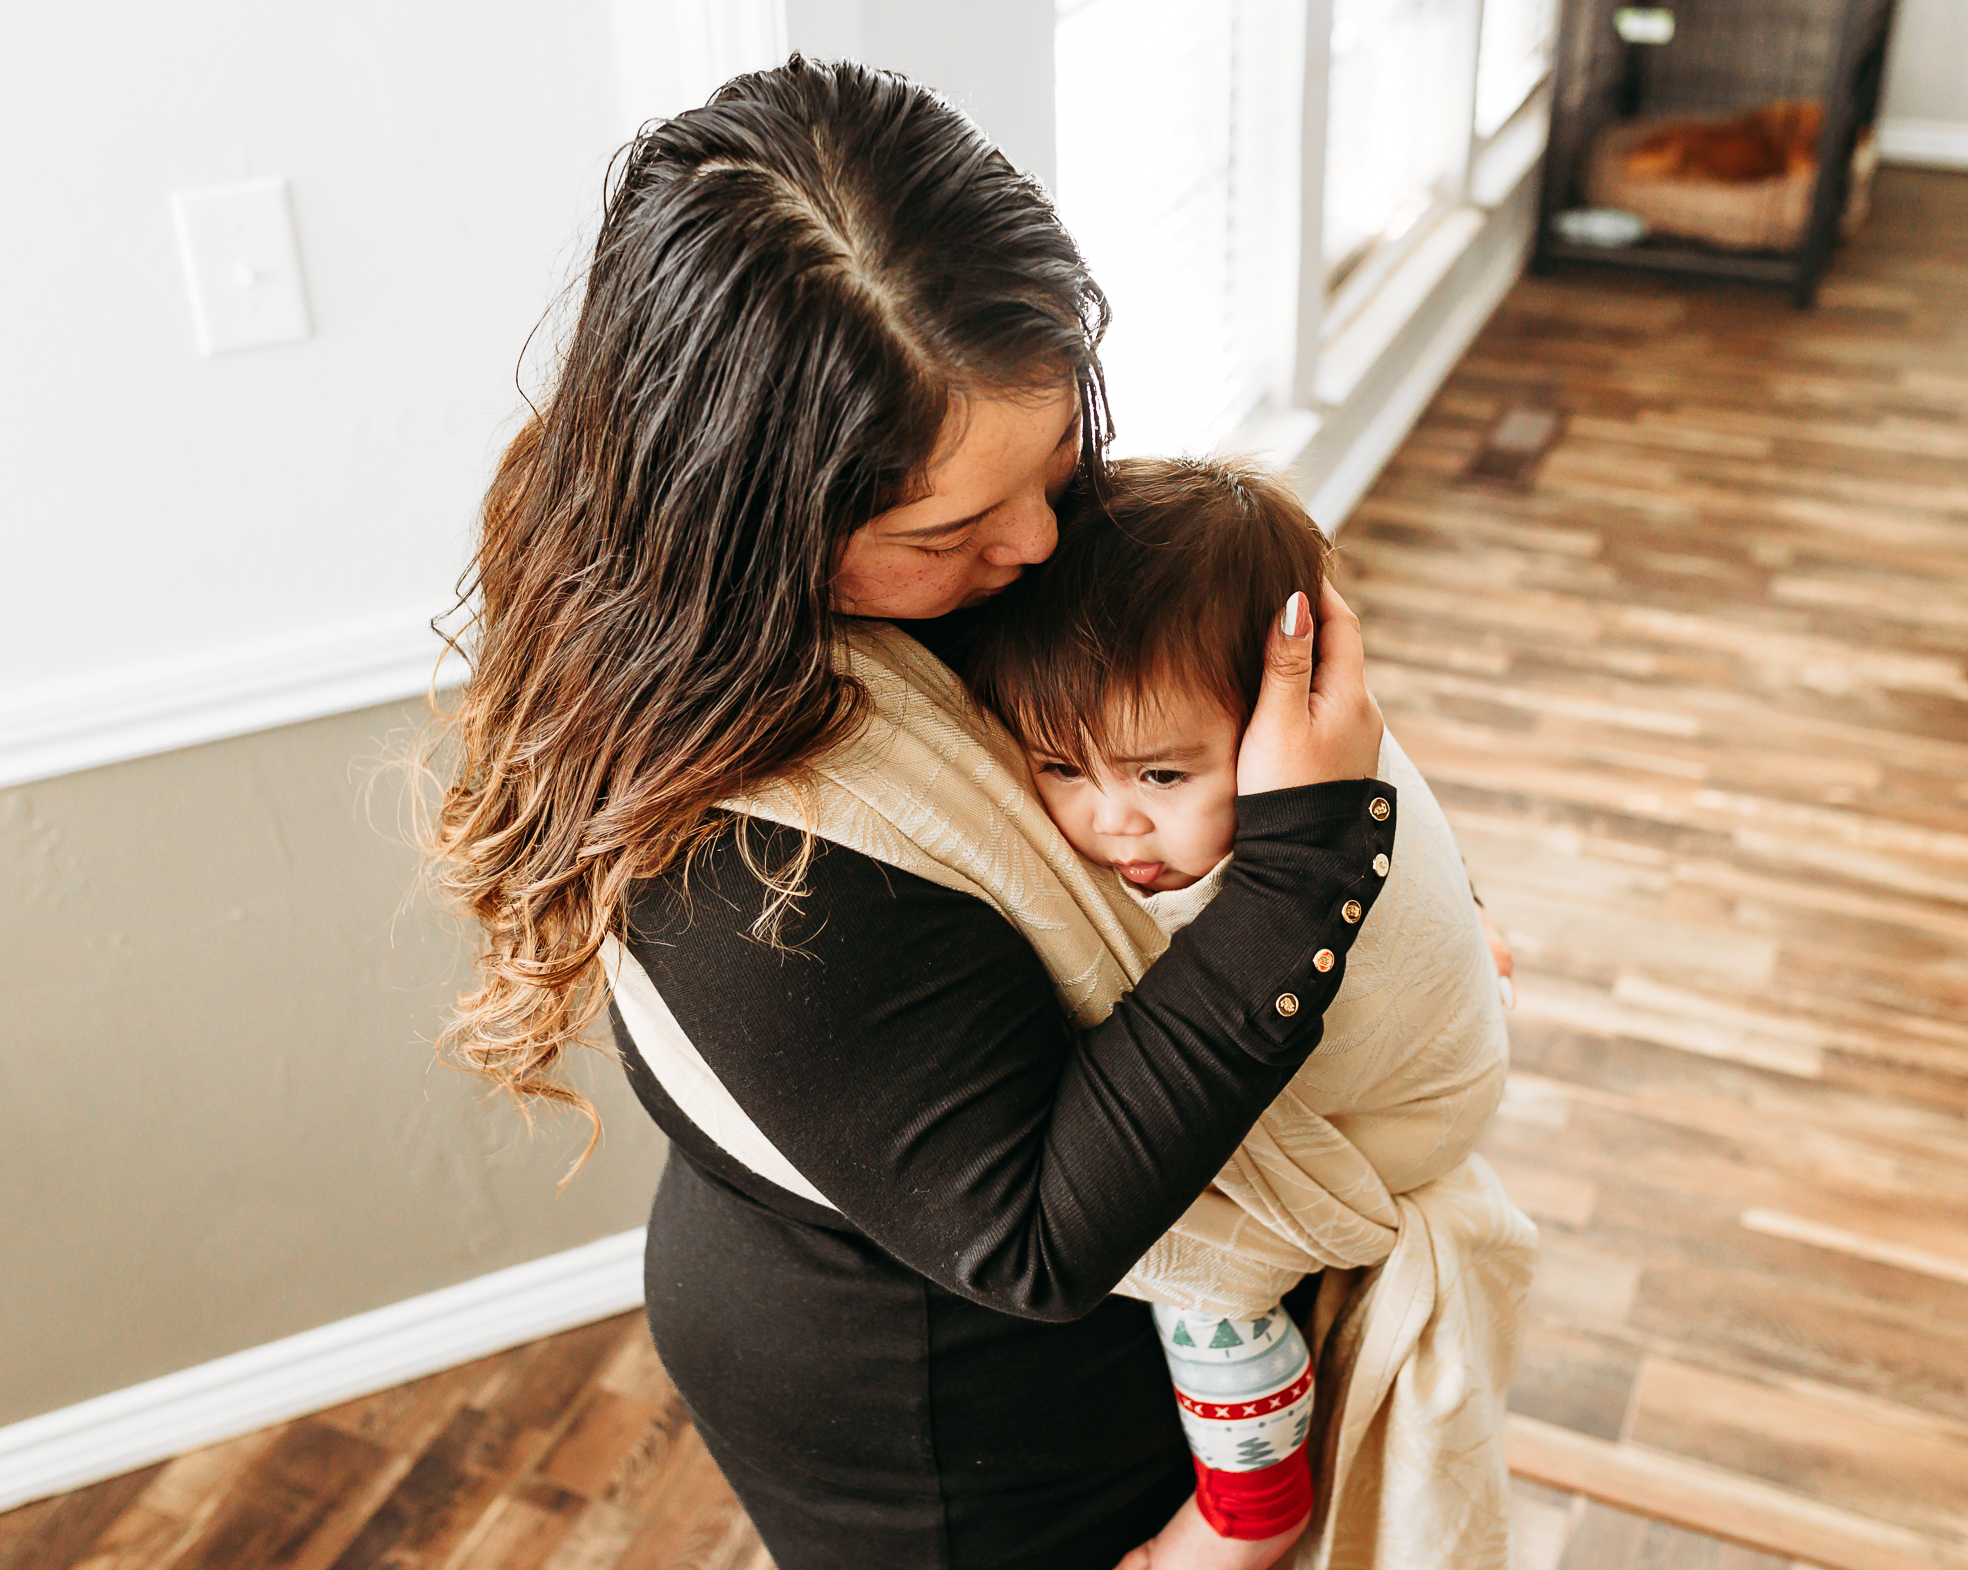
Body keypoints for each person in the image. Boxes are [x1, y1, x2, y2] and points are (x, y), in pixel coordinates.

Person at [433, 56, 1394, 1569]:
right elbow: (1028, 1235)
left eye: (1058, 458)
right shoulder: (746, 848)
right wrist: (1309, 871)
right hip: (948, 1434)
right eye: (946, 529)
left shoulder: (933, 569)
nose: (1037, 541)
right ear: (753, 518)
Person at [967, 457, 1530, 1567]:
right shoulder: (1334, 732)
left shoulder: (1226, 892)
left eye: (1161, 777)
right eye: (1058, 767)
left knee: (1190, 1259)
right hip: (1471, 1023)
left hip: (1402, 1122)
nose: (1109, 821)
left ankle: (1249, 1501)